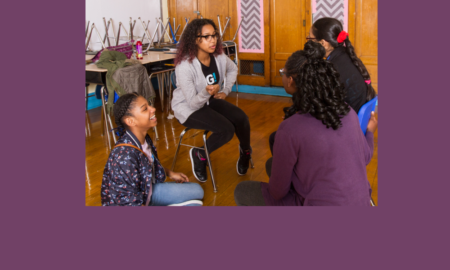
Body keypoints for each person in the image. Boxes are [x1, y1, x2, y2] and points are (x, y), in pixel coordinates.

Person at [234, 41, 378, 206]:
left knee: (243, 190)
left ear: (290, 80)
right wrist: (370, 132)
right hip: (361, 202)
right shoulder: (348, 111)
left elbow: (277, 192)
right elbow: (365, 157)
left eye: (283, 72)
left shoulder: (290, 129)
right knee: (271, 165)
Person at [269, 17, 377, 155]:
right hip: (351, 125)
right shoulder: (346, 57)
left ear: (323, 43)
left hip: (340, 132)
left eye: (310, 38)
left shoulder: (333, 69)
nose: (307, 42)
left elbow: (319, 106)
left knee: (277, 138)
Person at [171, 18, 252, 182]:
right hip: (188, 108)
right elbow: (193, 103)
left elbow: (233, 68)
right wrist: (207, 92)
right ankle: (199, 154)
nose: (213, 40)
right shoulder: (185, 66)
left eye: (214, 35)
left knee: (241, 118)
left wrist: (225, 90)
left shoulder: (219, 57)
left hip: (209, 100)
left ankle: (246, 151)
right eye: (206, 37)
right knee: (226, 129)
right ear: (195, 40)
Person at [101, 93, 204, 206]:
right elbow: (129, 204)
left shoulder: (144, 138)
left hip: (147, 193)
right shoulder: (124, 156)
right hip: (136, 204)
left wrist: (170, 173)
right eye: (145, 109)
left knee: (198, 191)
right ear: (130, 121)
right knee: (196, 206)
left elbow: (148, 165)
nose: (153, 109)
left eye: (149, 105)